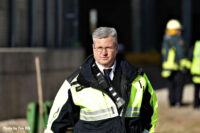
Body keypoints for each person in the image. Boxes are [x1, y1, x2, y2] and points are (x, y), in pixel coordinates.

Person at [45, 27, 158, 133]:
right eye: (99, 48)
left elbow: (151, 115)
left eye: (108, 48)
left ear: (116, 48)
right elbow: (55, 126)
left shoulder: (138, 78)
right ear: (93, 48)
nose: (104, 53)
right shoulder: (76, 82)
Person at [161, 19, 189, 107]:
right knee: (179, 86)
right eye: (178, 29)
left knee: (170, 86)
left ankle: (171, 102)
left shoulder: (165, 40)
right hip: (177, 67)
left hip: (167, 68)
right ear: (175, 30)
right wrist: (187, 65)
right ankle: (178, 102)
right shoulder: (178, 39)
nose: (180, 31)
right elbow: (181, 53)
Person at [188, 40, 200, 109]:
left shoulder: (195, 46)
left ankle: (196, 104)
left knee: (196, 89)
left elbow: (190, 57)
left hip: (195, 71)